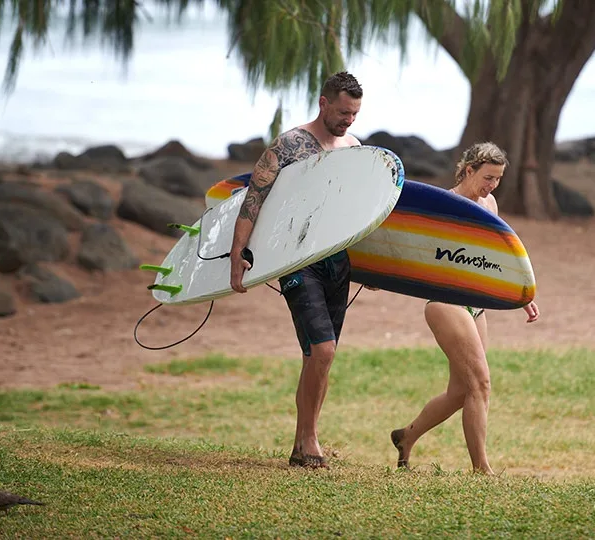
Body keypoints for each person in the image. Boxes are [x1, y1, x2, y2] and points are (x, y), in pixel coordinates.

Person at [229, 71, 363, 469]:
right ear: (323, 103)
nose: (348, 121)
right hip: (297, 261)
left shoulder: (355, 148)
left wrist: (372, 268)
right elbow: (253, 199)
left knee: (317, 356)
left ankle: (300, 445)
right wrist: (239, 253)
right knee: (323, 349)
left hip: (338, 262)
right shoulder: (288, 146)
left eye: (354, 114)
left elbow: (358, 212)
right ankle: (311, 438)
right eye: (342, 112)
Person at [389, 142, 540, 475]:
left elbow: (495, 258)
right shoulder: (443, 204)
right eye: (487, 177)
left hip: (476, 304)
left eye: (498, 179)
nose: (491, 185)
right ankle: (481, 470)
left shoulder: (489, 204)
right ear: (468, 170)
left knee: (460, 391)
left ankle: (406, 437)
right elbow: (414, 248)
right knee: (481, 385)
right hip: (445, 303)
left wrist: (522, 295)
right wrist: (381, 272)